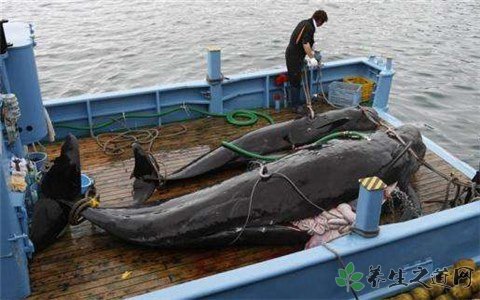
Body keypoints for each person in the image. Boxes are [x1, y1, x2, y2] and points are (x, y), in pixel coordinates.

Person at [285, 10, 328, 113]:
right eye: (322, 23)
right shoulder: (310, 27)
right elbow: (305, 43)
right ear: (320, 21)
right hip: (294, 57)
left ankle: (298, 103)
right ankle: (295, 106)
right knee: (295, 82)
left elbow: (304, 42)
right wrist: (312, 58)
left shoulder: (304, 22)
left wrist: (311, 52)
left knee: (297, 80)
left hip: (295, 55)